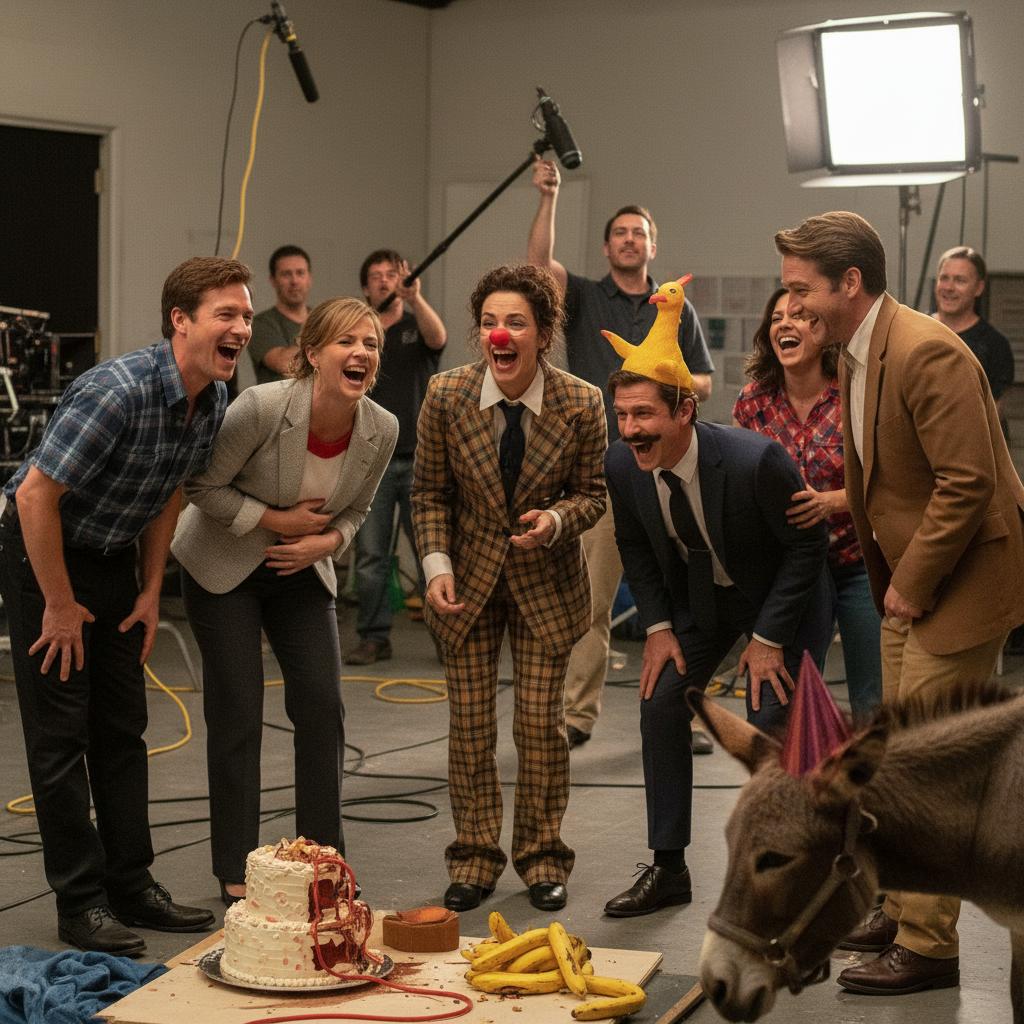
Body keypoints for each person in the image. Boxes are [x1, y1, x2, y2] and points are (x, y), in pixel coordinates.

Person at [775, 211, 1024, 996]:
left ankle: (928, 945)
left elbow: (968, 484)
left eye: (801, 289)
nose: (790, 306)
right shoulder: (858, 349)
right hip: (911, 582)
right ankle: (897, 906)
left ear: (849, 283)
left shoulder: (925, 351)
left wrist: (908, 582)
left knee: (926, 771)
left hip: (959, 583)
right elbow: (883, 476)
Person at [0, 256, 253, 956]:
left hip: (113, 555)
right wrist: (58, 604)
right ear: (181, 320)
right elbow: (35, 497)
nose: (242, 327)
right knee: (62, 735)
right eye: (226, 314)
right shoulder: (117, 392)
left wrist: (148, 589)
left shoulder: (213, 398)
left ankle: (131, 884)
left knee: (123, 727)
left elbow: (170, 490)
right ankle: (80, 902)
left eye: (246, 315)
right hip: (45, 551)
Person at [172, 298, 398, 904]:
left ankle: (323, 861)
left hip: (301, 567)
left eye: (371, 344)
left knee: (323, 708)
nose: (361, 353)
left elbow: (357, 509)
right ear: (313, 354)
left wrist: (324, 541)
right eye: (347, 342)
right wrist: (278, 520)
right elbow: (200, 486)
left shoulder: (382, 427)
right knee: (238, 712)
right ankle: (234, 867)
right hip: (226, 562)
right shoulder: (263, 407)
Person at [602, 335, 830, 918]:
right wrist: (658, 626)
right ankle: (669, 868)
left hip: (781, 602)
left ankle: (790, 871)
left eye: (643, 415)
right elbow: (635, 544)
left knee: (771, 721)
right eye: (622, 415)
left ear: (684, 410)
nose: (629, 431)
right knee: (660, 703)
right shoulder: (620, 465)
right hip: (704, 599)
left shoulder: (757, 461)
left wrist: (768, 639)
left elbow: (808, 547)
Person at [412, 264, 606, 914]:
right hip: (465, 582)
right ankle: (473, 858)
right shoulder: (446, 395)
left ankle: (543, 858)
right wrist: (436, 566)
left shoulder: (581, 402)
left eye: (516, 322)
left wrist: (555, 521)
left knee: (540, 729)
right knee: (469, 729)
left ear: (544, 333)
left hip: (546, 583)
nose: (500, 334)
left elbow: (592, 495)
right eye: (490, 322)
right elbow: (429, 493)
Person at [528, 157, 715, 750]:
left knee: (686, 601)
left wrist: (662, 374)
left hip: (670, 473)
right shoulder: (584, 298)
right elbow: (538, 267)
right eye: (620, 233)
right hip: (603, 473)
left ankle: (689, 716)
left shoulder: (674, 307)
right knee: (592, 601)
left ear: (652, 245)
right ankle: (577, 716)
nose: (630, 240)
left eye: (639, 232)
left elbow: (705, 382)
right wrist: (549, 197)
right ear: (607, 246)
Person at [733, 287, 882, 724]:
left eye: (799, 315)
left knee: (872, 699)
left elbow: (888, 481)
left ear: (823, 330)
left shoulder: (856, 394)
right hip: (791, 571)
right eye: (777, 317)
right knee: (784, 695)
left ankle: (872, 770)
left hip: (856, 563)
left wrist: (832, 502)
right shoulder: (752, 402)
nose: (785, 324)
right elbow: (740, 485)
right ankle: (792, 767)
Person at [343, 249, 447, 666]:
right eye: (376, 276)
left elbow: (438, 339)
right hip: (372, 460)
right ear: (365, 288)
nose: (385, 280)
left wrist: (415, 298)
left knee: (430, 553)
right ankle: (373, 637)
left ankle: (446, 637)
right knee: (371, 555)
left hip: (421, 458)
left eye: (392, 274)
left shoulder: (415, 326)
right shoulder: (358, 338)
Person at [932, 245, 1014, 432]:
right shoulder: (915, 330)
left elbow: (992, 417)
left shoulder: (995, 345)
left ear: (979, 288)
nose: (949, 287)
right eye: (944, 278)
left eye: (960, 280)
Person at [246, 245, 313, 386]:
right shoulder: (259, 324)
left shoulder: (323, 318)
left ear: (309, 278)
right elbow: (287, 364)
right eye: (286, 274)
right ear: (273, 280)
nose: (294, 281)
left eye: (300, 273)